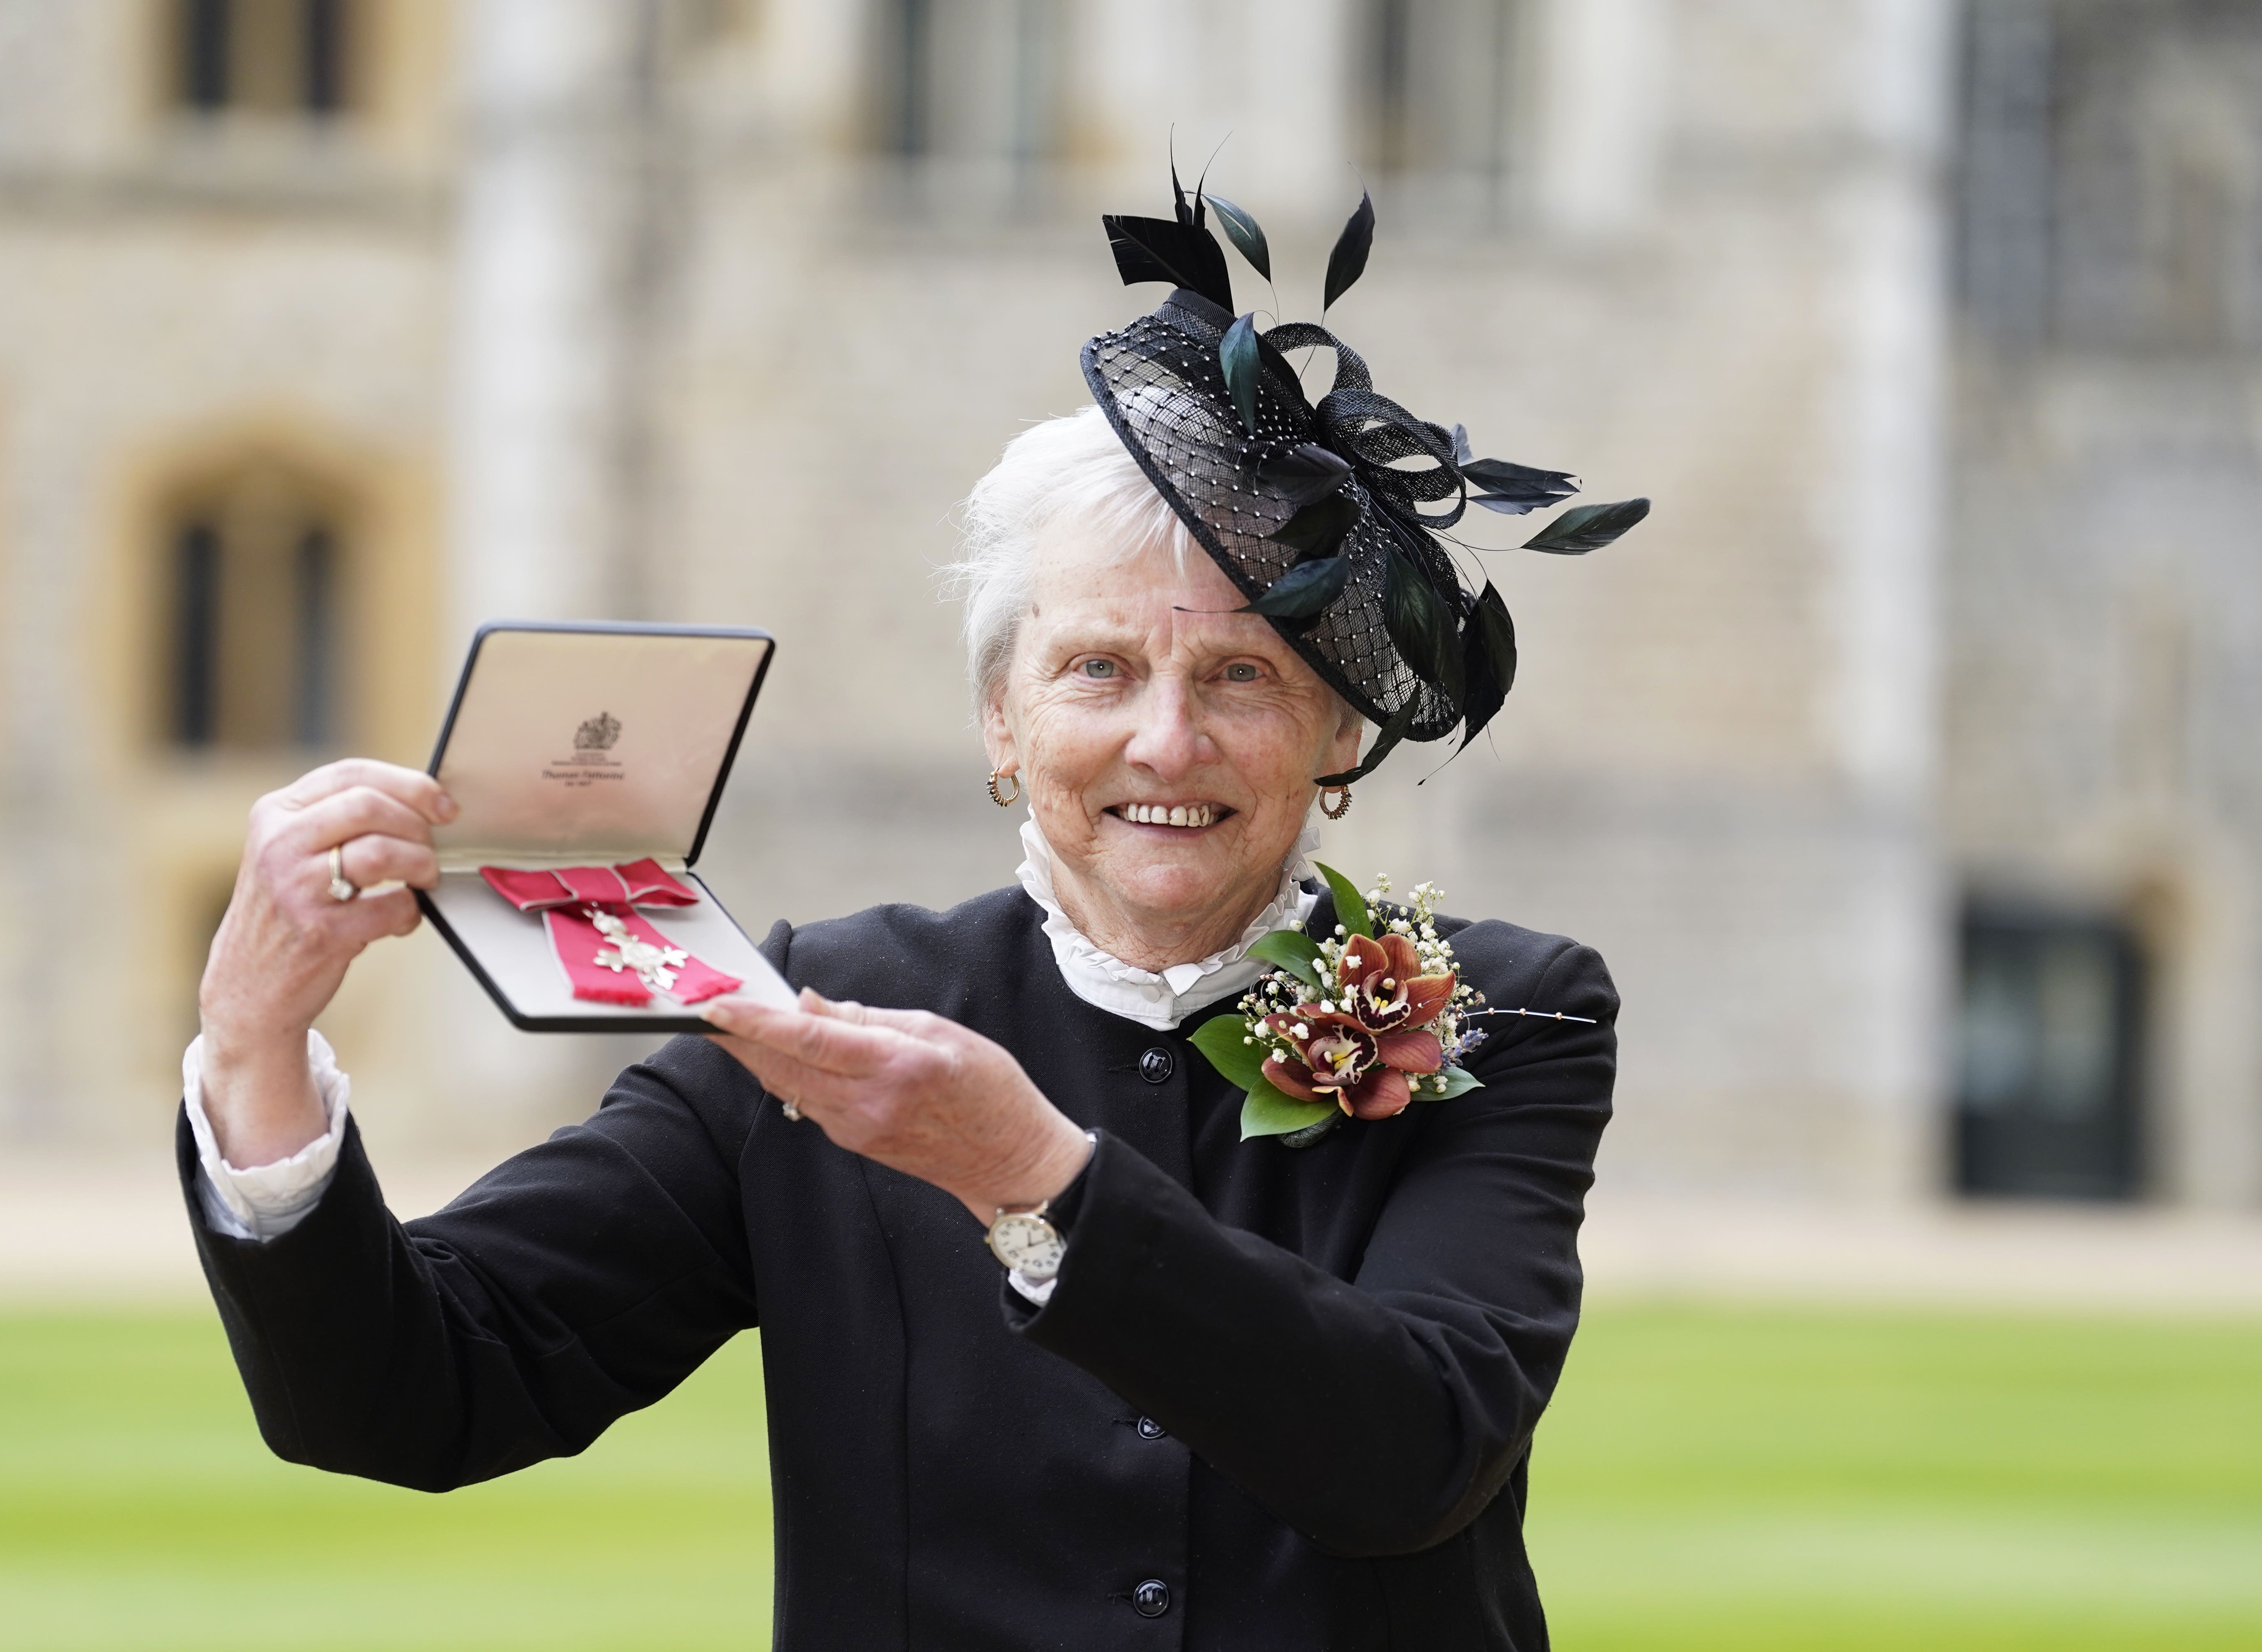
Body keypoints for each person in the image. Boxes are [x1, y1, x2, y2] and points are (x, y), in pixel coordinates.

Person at [183, 178, 1629, 1650]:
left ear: (1340, 735)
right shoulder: (810, 1006)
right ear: (1000, 722)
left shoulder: (1514, 1013)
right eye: (1097, 671)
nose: (1167, 742)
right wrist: (252, 1047)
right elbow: (419, 1392)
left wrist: (1027, 1169)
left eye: (1244, 677)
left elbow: (1415, 1454)